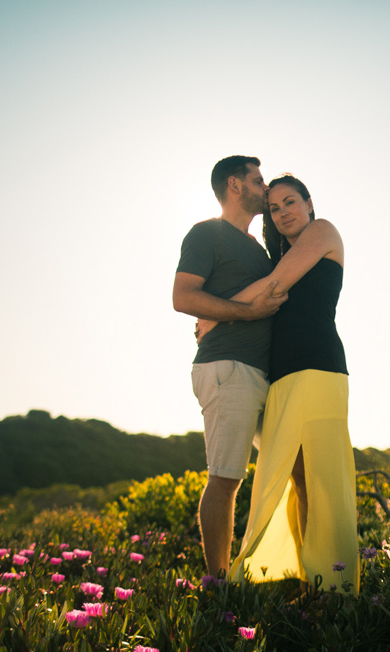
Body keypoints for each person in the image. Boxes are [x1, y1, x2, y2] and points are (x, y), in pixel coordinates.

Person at [200, 174, 359, 593]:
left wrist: (214, 314)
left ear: (309, 204)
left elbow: (274, 285)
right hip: (282, 375)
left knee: (321, 479)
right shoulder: (282, 251)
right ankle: (311, 580)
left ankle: (328, 586)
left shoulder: (322, 232)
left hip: (317, 368)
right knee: (301, 478)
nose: (283, 212)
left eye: (290, 202)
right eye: (274, 208)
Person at [172, 156, 287, 578]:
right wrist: (244, 312)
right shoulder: (207, 234)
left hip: (262, 373)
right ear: (235, 185)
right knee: (225, 479)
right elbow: (183, 297)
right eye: (258, 180)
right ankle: (217, 585)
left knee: (293, 466)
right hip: (227, 366)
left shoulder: (258, 248)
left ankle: (280, 566)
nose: (265, 186)